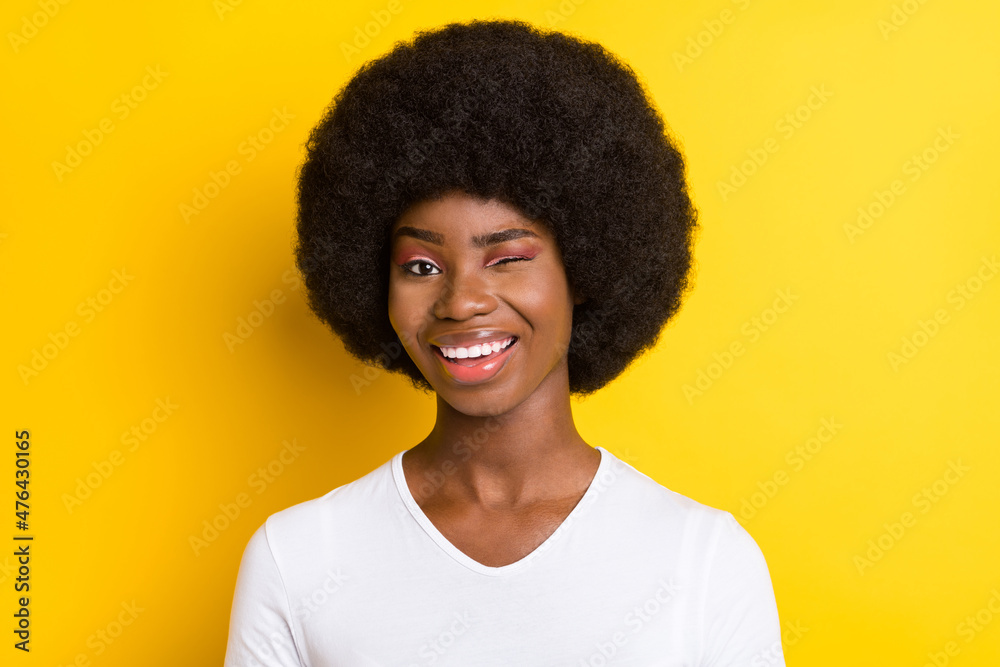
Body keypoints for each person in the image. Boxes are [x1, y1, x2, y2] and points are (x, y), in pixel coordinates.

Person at [224, 18, 785, 666]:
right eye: (421, 266)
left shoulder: (703, 561)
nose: (461, 301)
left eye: (508, 258)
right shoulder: (298, 559)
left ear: (585, 268)